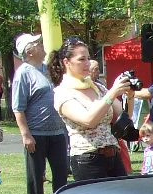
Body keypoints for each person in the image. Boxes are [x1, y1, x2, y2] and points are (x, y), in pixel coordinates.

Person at [54, 37, 134, 180]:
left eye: (88, 58)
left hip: (113, 155)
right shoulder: (62, 92)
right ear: (67, 62)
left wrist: (130, 96)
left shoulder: (98, 87)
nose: (88, 63)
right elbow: (89, 120)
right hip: (87, 160)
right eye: (81, 59)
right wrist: (112, 93)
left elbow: (124, 118)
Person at [11, 32, 69, 194]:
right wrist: (26, 135)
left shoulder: (49, 69)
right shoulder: (23, 73)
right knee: (36, 178)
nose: (41, 43)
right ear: (29, 52)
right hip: (36, 135)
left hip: (58, 132)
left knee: (61, 175)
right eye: (36, 43)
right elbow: (18, 108)